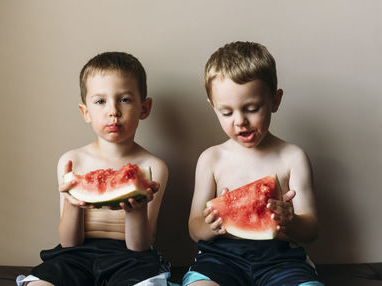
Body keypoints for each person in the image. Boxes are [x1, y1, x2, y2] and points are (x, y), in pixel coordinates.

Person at [17, 52, 171, 286]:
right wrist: (71, 201)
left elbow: (140, 246)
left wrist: (135, 210)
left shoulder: (152, 168)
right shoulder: (71, 161)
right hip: (74, 257)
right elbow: (69, 242)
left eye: (125, 99)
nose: (113, 111)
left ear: (144, 108)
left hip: (131, 259)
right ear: (85, 112)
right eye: (100, 101)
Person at [183, 42, 324, 286]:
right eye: (226, 112)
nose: (240, 121)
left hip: (282, 261)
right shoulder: (211, 159)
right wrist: (210, 224)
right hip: (220, 259)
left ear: (275, 101)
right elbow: (194, 229)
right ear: (213, 107)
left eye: (252, 108)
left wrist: (291, 220)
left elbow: (311, 230)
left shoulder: (293, 157)